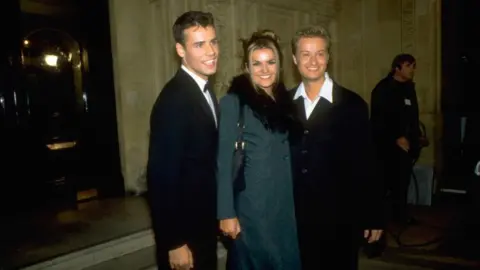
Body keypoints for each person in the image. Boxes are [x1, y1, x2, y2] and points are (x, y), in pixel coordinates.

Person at [289, 26, 384, 269]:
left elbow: (367, 163)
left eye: (320, 53)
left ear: (329, 57)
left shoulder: (352, 105)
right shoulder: (283, 105)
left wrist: (373, 215)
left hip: (340, 220)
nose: (313, 61)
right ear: (294, 58)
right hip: (294, 221)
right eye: (306, 54)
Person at [217, 30, 301, 269]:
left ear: (279, 65)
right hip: (253, 206)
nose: (265, 70)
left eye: (270, 62)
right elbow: (223, 163)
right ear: (246, 67)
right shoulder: (234, 103)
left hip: (284, 204)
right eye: (257, 63)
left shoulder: (285, 103)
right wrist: (226, 213)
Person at [146, 11, 219, 270]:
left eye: (213, 41)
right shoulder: (174, 101)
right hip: (185, 236)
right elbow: (161, 179)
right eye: (199, 44)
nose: (211, 51)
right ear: (180, 49)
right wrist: (174, 242)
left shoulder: (203, 90)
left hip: (203, 226)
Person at [370, 53, 421, 225]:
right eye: (409, 66)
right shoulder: (383, 89)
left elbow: (413, 116)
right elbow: (378, 119)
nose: (412, 70)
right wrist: (395, 137)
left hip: (406, 147)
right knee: (385, 184)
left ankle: (401, 216)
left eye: (413, 66)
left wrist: (416, 138)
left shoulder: (409, 88)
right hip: (387, 148)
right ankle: (380, 220)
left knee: (402, 183)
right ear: (397, 68)